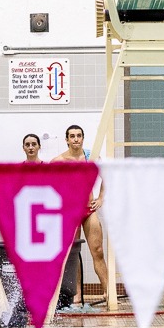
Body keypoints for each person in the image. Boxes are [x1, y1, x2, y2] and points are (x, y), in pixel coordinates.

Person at [53, 124, 108, 309]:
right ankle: (76, 295)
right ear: (67, 139)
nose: (76, 139)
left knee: (98, 250)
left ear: (83, 138)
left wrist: (101, 198)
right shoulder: (59, 161)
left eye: (78, 136)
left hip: (87, 209)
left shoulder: (91, 157)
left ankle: (108, 292)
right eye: (72, 136)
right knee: (73, 254)